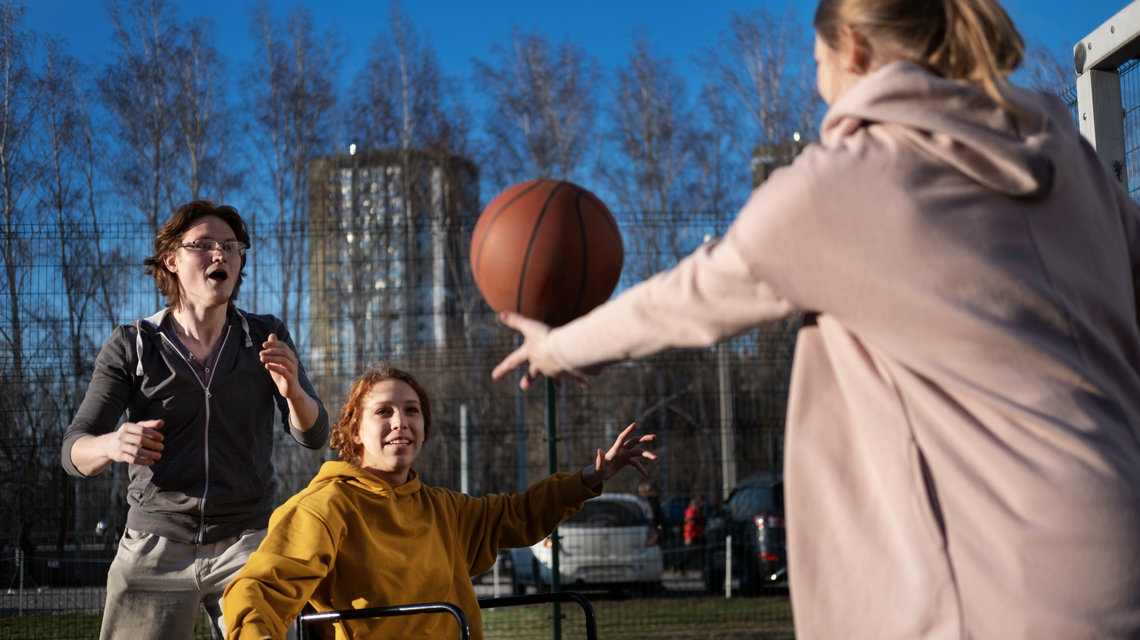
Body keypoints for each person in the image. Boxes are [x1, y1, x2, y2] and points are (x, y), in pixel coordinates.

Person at [491, 0, 1140, 638]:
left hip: (999, 578)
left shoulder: (850, 181)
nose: (817, 80)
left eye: (816, 60)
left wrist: (557, 348)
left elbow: (692, 295)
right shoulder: (1067, 153)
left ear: (853, 48)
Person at [222, 366, 657, 640]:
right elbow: (259, 590)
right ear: (354, 432)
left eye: (412, 411)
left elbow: (518, 516)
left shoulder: (442, 508)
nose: (401, 422)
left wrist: (590, 478)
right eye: (383, 412)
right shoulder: (326, 506)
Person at [61, 201, 330, 640]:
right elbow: (74, 450)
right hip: (155, 544)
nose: (219, 254)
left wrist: (294, 391)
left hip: (249, 542)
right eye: (203, 245)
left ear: (240, 262)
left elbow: (314, 436)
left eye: (230, 246)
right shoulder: (134, 345)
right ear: (172, 260)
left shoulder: (265, 336)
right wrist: (112, 444)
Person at [681, 495, 706, 572]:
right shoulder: (692, 512)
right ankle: (679, 567)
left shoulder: (693, 512)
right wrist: (688, 537)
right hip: (693, 536)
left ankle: (704, 569)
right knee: (690, 555)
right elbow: (689, 525)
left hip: (696, 535)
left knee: (698, 553)